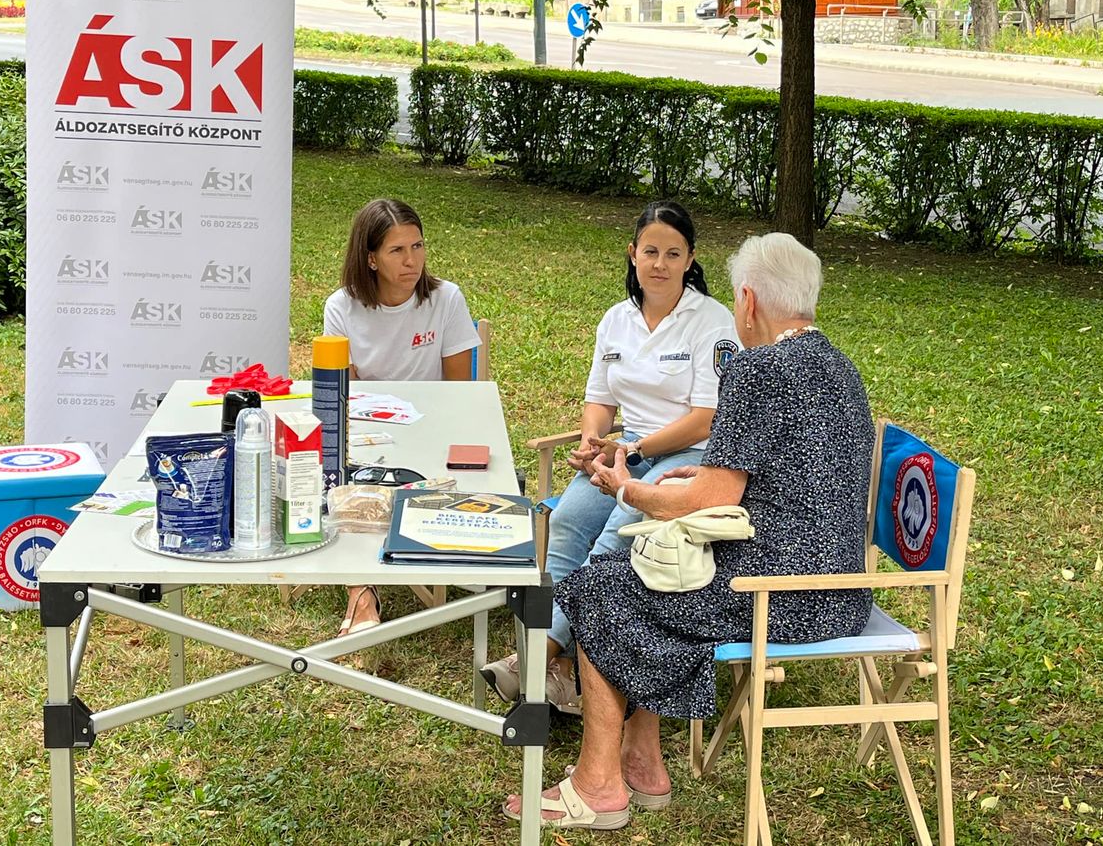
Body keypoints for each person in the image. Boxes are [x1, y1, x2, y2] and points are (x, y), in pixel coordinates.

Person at [503, 232, 875, 830]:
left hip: (775, 597)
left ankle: (599, 786)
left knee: (603, 586)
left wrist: (626, 489)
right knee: (649, 577)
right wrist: (693, 475)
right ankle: (642, 758)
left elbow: (710, 499)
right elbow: (784, 470)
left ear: (747, 301)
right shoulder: (840, 366)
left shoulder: (757, 369)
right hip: (841, 594)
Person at [480, 201, 740, 713]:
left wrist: (632, 450)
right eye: (650, 251)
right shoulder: (616, 319)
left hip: (687, 456)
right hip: (626, 449)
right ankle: (556, 666)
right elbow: (599, 399)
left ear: (690, 260)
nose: (660, 263)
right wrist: (592, 442)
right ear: (633, 253)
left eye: (673, 253)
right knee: (571, 520)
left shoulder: (712, 320)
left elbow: (707, 417)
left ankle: (545, 657)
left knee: (616, 533)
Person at [323, 198, 481, 635]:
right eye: (397, 251)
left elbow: (459, 393)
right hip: (369, 433)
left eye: (418, 246)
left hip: (433, 427)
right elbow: (344, 395)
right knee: (343, 479)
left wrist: (434, 433)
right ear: (370, 259)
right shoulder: (341, 307)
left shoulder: (445, 299)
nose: (412, 260)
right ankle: (362, 596)